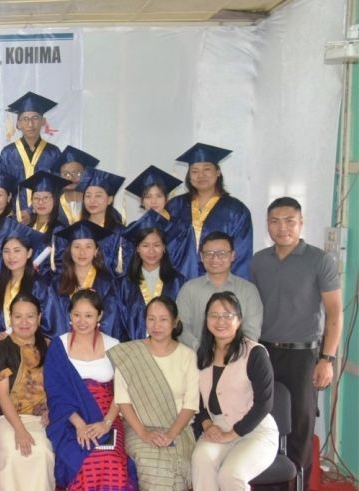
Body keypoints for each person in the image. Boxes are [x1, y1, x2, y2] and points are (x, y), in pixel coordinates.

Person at [250, 196, 343, 486]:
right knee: (263, 420)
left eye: (290, 220)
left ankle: (297, 484)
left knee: (300, 426)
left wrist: (327, 359)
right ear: (268, 225)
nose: (282, 227)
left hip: (303, 356)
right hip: (264, 353)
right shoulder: (259, 261)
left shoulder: (319, 260)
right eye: (275, 221)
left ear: (301, 222)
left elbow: (334, 313)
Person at [44, 289, 136, 490]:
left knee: (110, 457)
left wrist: (106, 423)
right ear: (69, 315)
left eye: (88, 315)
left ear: (99, 316)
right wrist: (79, 424)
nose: (82, 321)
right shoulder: (59, 346)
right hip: (69, 418)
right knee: (84, 460)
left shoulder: (115, 346)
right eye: (76, 315)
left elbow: (122, 392)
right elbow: (56, 394)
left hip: (108, 416)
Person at [107, 296, 198, 490]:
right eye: (151, 319)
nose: (156, 325)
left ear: (175, 322)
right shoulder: (130, 354)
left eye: (163, 319)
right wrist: (145, 433)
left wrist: (171, 434)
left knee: (176, 461)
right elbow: (123, 401)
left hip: (179, 429)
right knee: (153, 463)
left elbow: (191, 404)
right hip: (138, 428)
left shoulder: (188, 356)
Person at [191, 291, 277, 490]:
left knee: (230, 476)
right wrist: (207, 425)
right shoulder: (202, 353)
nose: (220, 321)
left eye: (227, 315)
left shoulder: (255, 353)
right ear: (206, 320)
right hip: (217, 428)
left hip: (255, 430)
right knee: (200, 459)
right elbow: (197, 399)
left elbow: (264, 403)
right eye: (214, 315)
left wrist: (233, 434)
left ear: (239, 320)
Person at [0, 294, 55, 491]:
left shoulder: (50, 347)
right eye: (18, 317)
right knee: (12, 450)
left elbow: (59, 387)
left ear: (39, 318)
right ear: (11, 319)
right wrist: (19, 430)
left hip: (40, 418)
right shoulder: (1, 349)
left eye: (30, 316)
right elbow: (2, 395)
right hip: (5, 418)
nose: (24, 322)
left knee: (42, 451)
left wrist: (51, 409)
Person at [166, 143, 252, 279]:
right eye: (194, 171)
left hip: (218, 283)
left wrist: (231, 291)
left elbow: (241, 256)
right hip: (177, 282)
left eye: (207, 169)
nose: (201, 175)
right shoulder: (175, 206)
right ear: (189, 176)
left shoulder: (236, 210)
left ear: (218, 172)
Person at [176, 231, 262, 350]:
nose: (215, 259)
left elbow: (251, 332)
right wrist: (201, 349)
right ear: (201, 257)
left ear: (232, 256)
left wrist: (229, 353)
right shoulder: (188, 289)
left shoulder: (248, 290)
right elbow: (182, 328)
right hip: (195, 360)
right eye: (209, 253)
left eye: (222, 253)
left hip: (237, 361)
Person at [43, 221, 123, 339]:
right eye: (77, 246)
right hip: (65, 346)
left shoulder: (109, 284)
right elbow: (53, 321)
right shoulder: (57, 284)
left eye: (88, 246)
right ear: (70, 250)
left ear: (96, 251)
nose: (82, 252)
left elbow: (112, 323)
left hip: (99, 348)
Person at [118, 211, 185, 340]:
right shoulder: (123, 284)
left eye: (157, 245)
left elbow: (182, 322)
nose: (151, 251)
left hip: (169, 352)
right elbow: (119, 326)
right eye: (145, 245)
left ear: (164, 247)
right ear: (137, 248)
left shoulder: (178, 282)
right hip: (133, 352)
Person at [0, 92, 62, 217]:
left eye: (35, 118)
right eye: (25, 119)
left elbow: (56, 188)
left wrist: (31, 211)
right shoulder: (8, 152)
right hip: (15, 216)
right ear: (18, 124)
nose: (30, 124)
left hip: (45, 216)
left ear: (43, 121)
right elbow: (3, 188)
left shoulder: (53, 152)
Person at [122, 166, 187, 281]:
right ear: (141, 201)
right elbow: (129, 264)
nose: (153, 201)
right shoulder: (133, 228)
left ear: (166, 199)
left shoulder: (182, 229)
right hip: (141, 287)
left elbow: (187, 265)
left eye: (159, 196)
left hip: (174, 286)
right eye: (148, 197)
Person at [0, 223, 50, 344]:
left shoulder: (41, 285)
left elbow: (49, 323)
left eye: (17, 251)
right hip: (2, 348)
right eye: (6, 251)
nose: (11, 256)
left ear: (29, 253)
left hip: (31, 348)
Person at [77, 168, 128, 277]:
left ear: (109, 199)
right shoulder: (78, 230)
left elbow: (123, 268)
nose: (92, 201)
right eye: (88, 196)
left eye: (98, 195)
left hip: (110, 290)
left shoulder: (120, 233)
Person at [19, 171, 71, 276]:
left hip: (47, 286)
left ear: (55, 200)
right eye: (36, 198)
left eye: (46, 198)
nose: (41, 202)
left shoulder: (60, 230)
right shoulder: (24, 228)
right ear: (31, 201)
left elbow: (63, 265)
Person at [52, 146, 100, 226]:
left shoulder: (98, 205)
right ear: (59, 176)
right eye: (65, 174)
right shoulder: (52, 206)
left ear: (85, 175)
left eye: (77, 173)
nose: (70, 178)